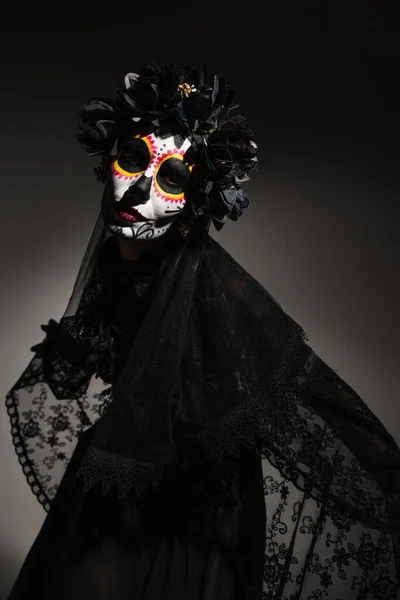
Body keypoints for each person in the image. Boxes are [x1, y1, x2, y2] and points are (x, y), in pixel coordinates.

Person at [6, 61, 400, 600]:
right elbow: (129, 352)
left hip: (197, 490)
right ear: (110, 162)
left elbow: (301, 384)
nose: (140, 186)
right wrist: (77, 350)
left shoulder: (213, 281)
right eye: (133, 159)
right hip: (132, 451)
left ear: (193, 205)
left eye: (171, 178)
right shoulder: (114, 260)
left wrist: (385, 470)